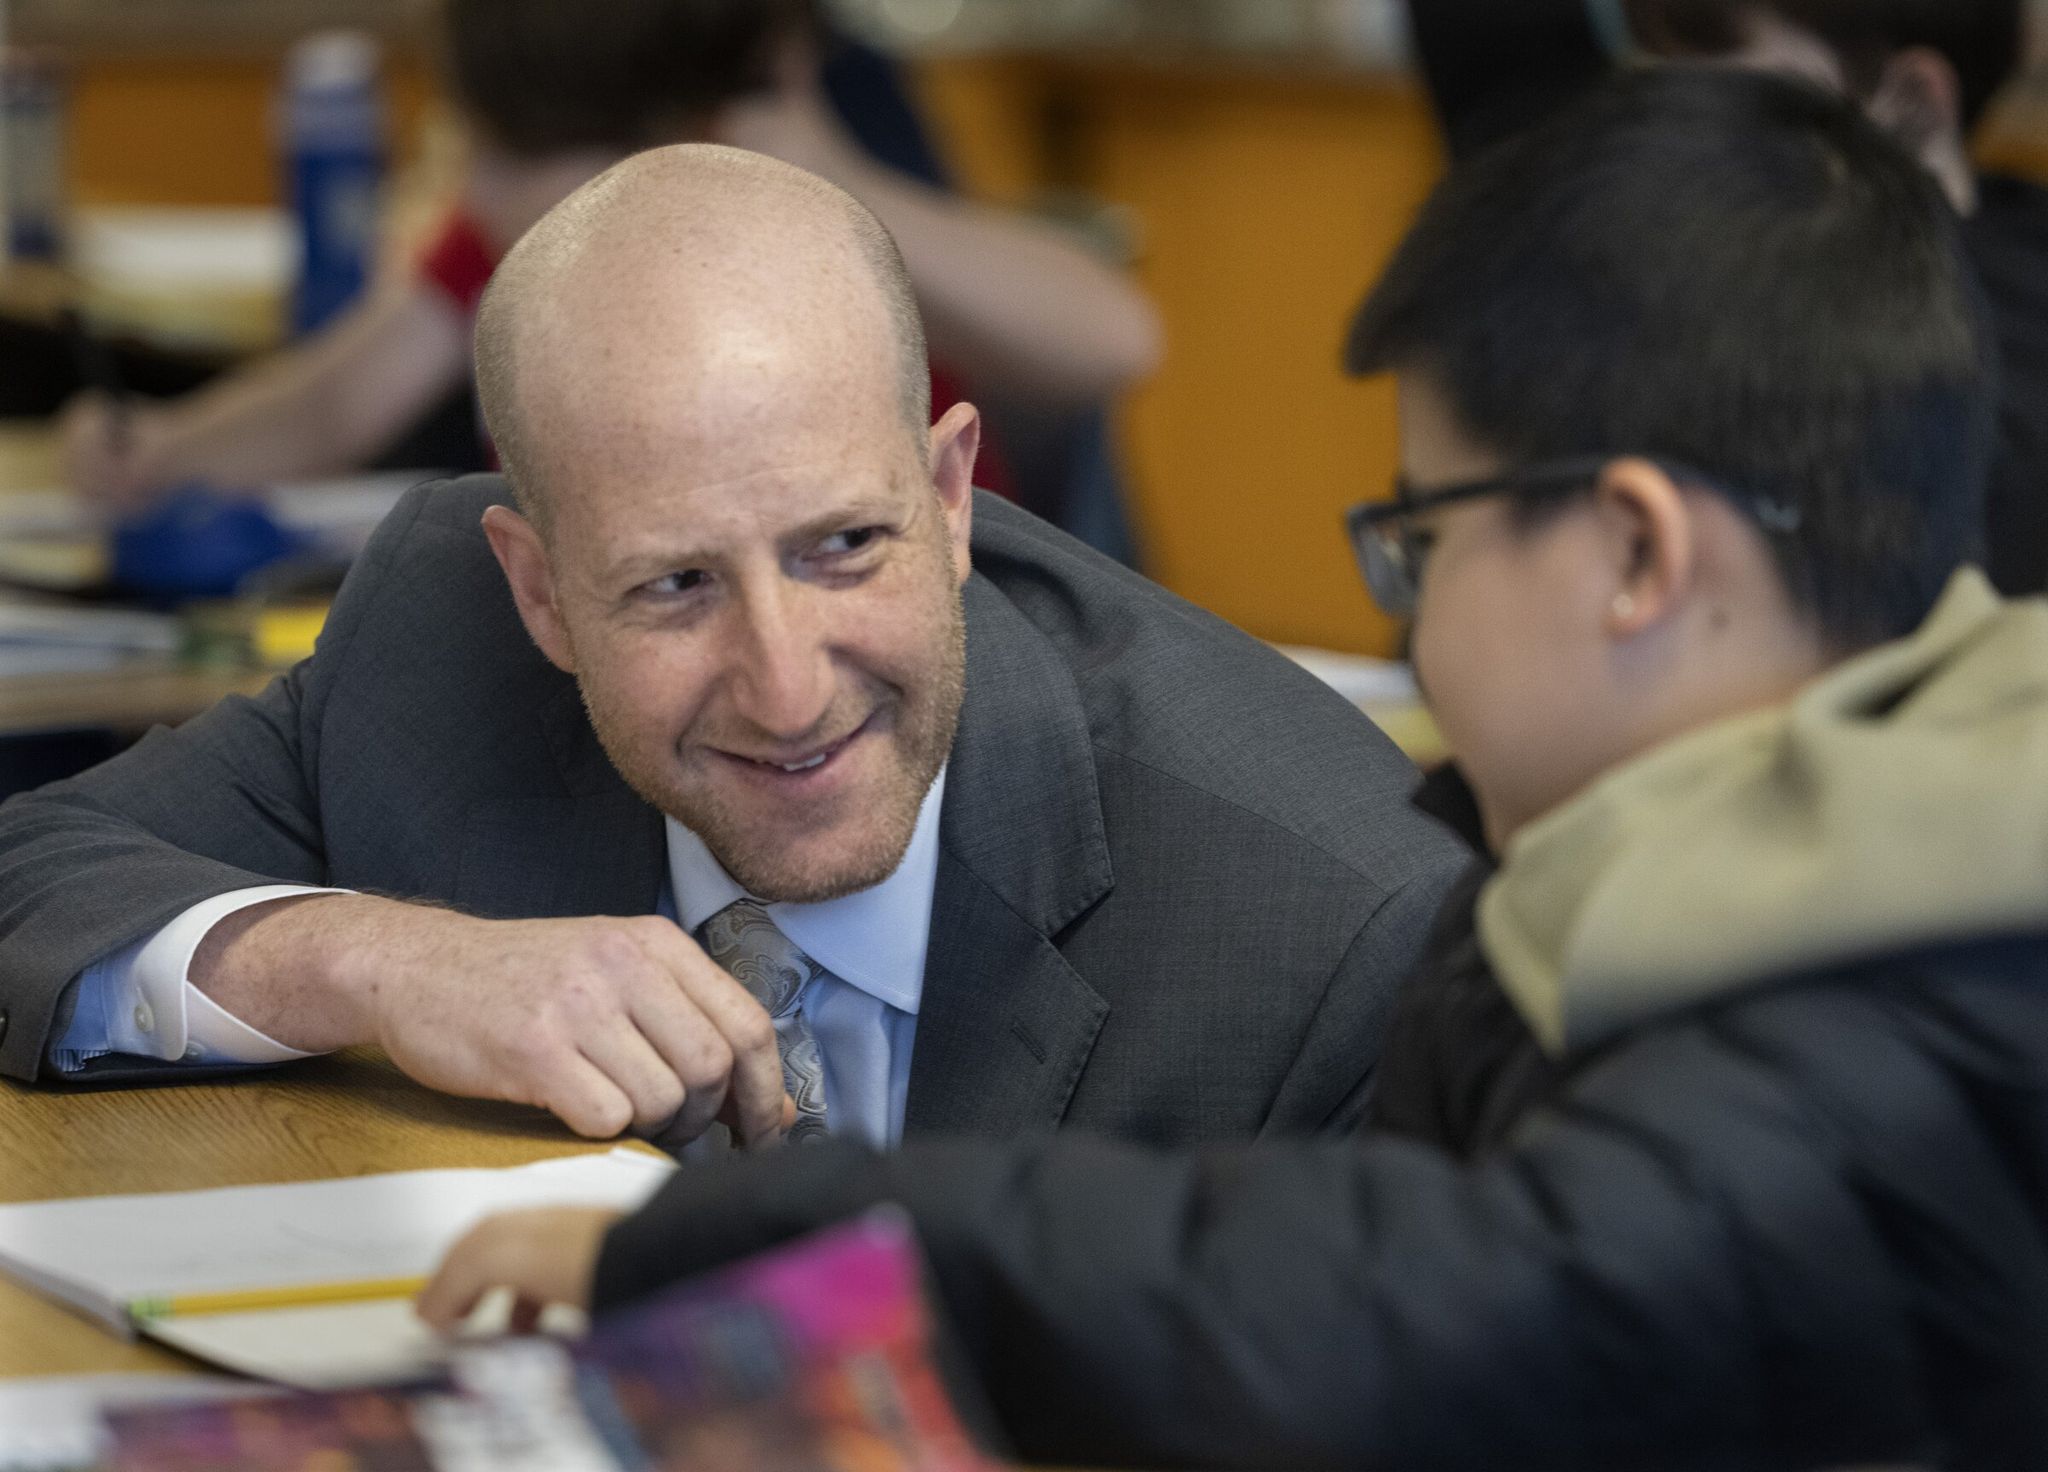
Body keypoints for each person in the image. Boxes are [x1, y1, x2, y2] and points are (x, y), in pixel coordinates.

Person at [423, 68, 2048, 1470]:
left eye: (1419, 535)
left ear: (1629, 550)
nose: (1400, 611)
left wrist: (749, 1239)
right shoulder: (1728, 867)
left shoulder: (1925, 967)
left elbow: (1430, 1297)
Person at [0, 144, 1461, 1162]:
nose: (786, 684)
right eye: (676, 586)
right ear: (542, 595)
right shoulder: (438, 650)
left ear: (951, 499)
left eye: (845, 548)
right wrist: (379, 964)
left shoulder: (1325, 930)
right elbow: (31, 878)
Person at [62, 0, 1162, 527]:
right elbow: (349, 391)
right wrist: (162, 449)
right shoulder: (520, 193)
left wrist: (827, 167)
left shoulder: (785, 185)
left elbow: (1115, 336)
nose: (490, 197)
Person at [1410, 0, 2048, 598]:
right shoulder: (1686, 278)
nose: (1661, 134)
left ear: (1913, 98)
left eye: (1719, 97)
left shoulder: (2001, 378)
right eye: (1647, 85)